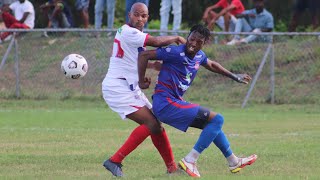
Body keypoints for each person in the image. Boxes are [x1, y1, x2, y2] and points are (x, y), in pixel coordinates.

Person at [138, 24, 257, 178]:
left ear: (204, 43)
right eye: (191, 39)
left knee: (212, 124)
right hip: (165, 103)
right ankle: (190, 160)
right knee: (218, 119)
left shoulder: (199, 56)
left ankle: (233, 161)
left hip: (172, 103)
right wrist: (141, 81)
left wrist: (234, 76)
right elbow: (144, 55)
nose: (193, 44)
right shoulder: (174, 52)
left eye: (198, 42)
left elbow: (212, 64)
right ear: (187, 37)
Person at [101, 2, 186, 177]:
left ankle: (172, 169)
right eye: (137, 15)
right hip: (118, 87)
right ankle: (114, 161)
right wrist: (176, 38)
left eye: (144, 16)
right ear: (129, 15)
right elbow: (155, 42)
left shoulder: (133, 35)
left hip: (128, 87)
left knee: (157, 126)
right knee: (151, 123)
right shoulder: (127, 31)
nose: (140, 19)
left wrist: (155, 67)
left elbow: (137, 59)